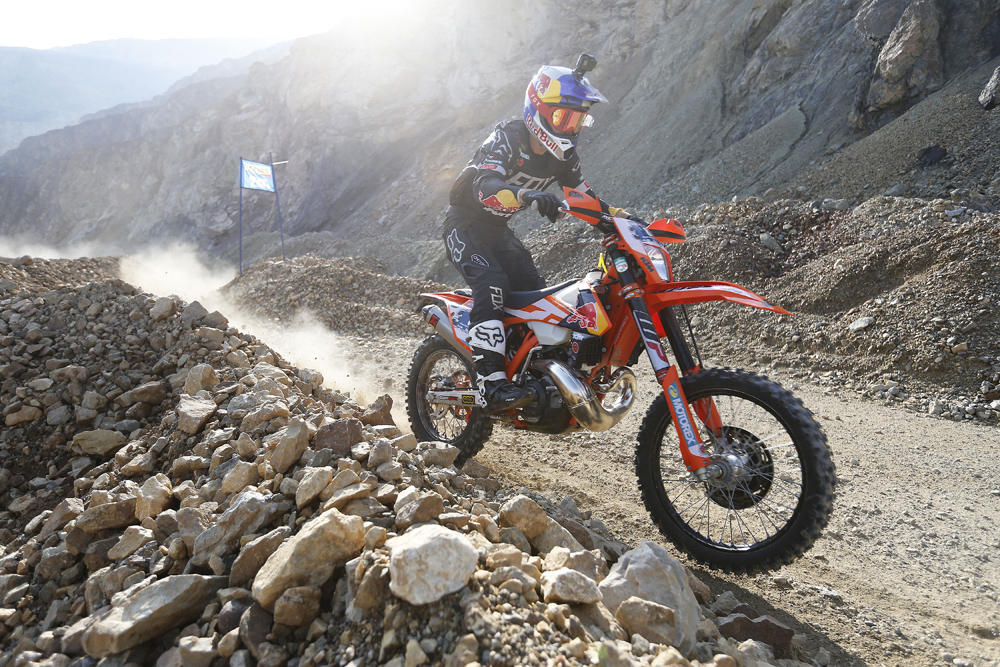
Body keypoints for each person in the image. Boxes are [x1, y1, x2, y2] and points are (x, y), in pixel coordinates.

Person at [442, 54, 636, 413]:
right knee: (493, 284)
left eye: (579, 118)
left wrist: (623, 219)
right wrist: (525, 195)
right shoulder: (507, 137)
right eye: (564, 116)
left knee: (535, 293)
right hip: (464, 226)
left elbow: (584, 199)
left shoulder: (563, 158)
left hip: (497, 230)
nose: (572, 126)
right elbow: (485, 186)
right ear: (539, 110)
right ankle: (490, 380)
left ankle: (535, 373)